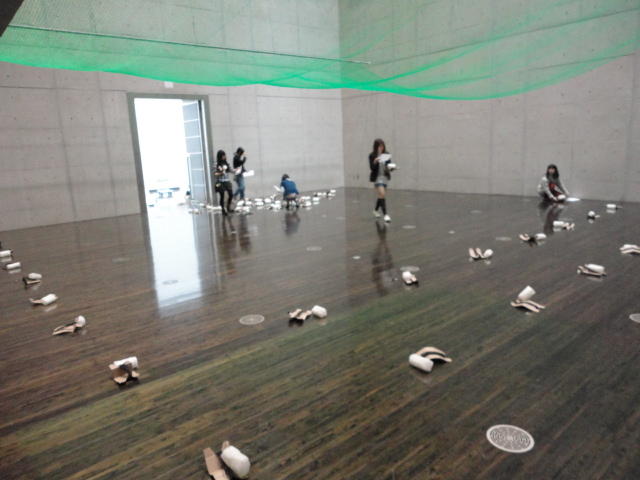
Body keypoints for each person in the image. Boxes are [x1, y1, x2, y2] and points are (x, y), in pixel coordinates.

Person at [369, 138, 392, 222]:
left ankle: (375, 210)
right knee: (382, 193)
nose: (381, 148)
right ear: (376, 147)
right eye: (379, 146)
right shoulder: (372, 155)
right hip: (377, 178)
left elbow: (389, 165)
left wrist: (392, 167)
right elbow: (372, 168)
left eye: (382, 146)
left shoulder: (386, 154)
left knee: (381, 196)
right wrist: (375, 162)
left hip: (384, 177)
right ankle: (385, 215)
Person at [214, 150, 234, 215]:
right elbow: (215, 173)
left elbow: (230, 170)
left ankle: (228, 207)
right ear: (220, 156)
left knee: (231, 194)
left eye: (224, 155)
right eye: (223, 155)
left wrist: (235, 171)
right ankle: (223, 209)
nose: (224, 157)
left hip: (226, 181)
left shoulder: (226, 163)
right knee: (222, 195)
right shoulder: (216, 164)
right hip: (220, 182)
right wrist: (220, 173)